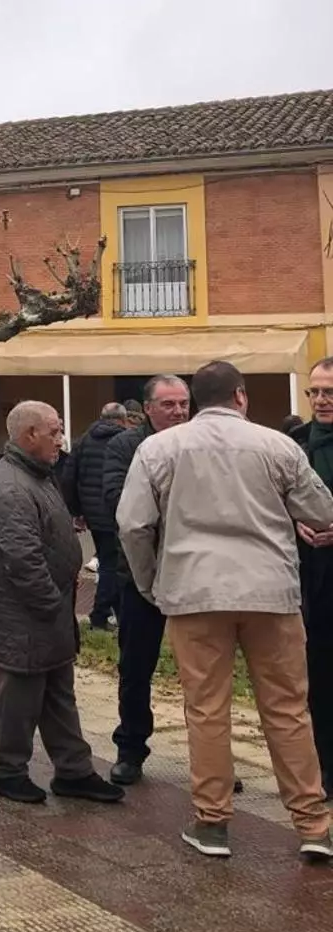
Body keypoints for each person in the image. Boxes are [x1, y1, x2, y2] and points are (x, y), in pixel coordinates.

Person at [117, 361, 333, 859]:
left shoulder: (158, 448)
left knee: (207, 709)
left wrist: (152, 582)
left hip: (195, 593)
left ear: (194, 402)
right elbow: (321, 512)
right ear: (241, 396)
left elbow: (132, 525)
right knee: (287, 710)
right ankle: (313, 824)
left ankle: (212, 822)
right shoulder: (279, 446)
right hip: (271, 593)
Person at [0, 401, 124, 807]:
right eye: (55, 432)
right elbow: (22, 559)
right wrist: (49, 602)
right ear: (29, 436)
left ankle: (73, 770)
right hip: (25, 613)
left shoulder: (36, 473)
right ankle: (7, 772)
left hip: (48, 610)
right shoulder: (12, 486)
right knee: (19, 699)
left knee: (59, 693)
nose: (62, 440)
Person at [101, 374, 192, 785]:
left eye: (183, 404)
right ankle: (131, 749)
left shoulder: (198, 442)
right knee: (136, 667)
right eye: (168, 404)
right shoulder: (124, 445)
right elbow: (118, 501)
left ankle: (211, 755)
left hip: (194, 573)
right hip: (139, 574)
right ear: (148, 408)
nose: (177, 412)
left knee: (205, 672)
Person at [292, 357, 333, 796]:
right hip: (312, 581)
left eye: (329, 392)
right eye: (315, 392)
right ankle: (325, 767)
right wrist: (294, 523)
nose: (321, 400)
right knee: (319, 676)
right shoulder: (296, 442)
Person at [61, 402, 129, 630]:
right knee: (113, 565)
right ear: (122, 419)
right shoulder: (125, 441)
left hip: (93, 513)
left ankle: (117, 615)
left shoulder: (83, 441)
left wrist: (77, 511)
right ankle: (99, 615)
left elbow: (69, 477)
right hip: (117, 512)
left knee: (108, 563)